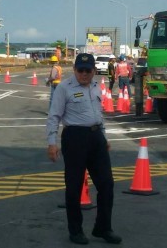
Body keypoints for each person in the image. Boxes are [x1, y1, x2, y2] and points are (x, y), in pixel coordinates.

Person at [46, 53, 122, 245]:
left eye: (88, 70)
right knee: (74, 187)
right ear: (74, 70)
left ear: (94, 71)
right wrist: (52, 142)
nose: (84, 74)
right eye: (80, 70)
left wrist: (103, 137)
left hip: (96, 137)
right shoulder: (64, 88)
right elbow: (53, 116)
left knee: (106, 184)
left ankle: (103, 227)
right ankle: (75, 230)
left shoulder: (96, 87)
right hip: (75, 138)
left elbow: (99, 115)